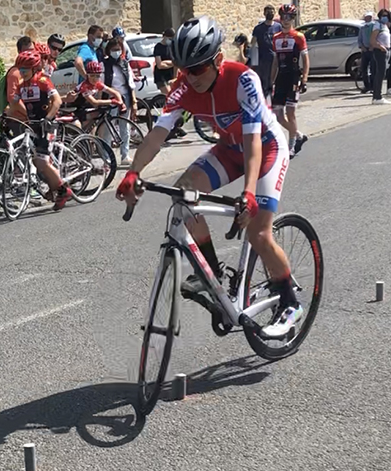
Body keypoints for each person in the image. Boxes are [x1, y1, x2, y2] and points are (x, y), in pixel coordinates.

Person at [116, 16, 304, 338]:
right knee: (184, 193)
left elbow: (253, 140)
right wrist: (133, 172)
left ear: (218, 60)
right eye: (184, 69)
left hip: (266, 147)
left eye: (199, 68)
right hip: (230, 149)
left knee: (259, 233)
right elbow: (156, 136)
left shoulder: (243, 79)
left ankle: (289, 300)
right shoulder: (183, 88)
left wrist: (248, 193)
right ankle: (212, 275)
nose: (191, 77)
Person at [6, 50, 73, 210]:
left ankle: (64, 190)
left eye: (25, 70)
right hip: (33, 126)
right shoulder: (22, 86)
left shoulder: (43, 81)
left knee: (41, 161)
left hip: (47, 125)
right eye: (20, 69)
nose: (22, 72)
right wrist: (3, 116)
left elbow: (56, 101)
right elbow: (14, 104)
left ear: (34, 68)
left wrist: (48, 118)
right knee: (38, 161)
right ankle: (53, 186)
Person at [270, 4, 309, 157]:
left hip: (293, 77)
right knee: (278, 114)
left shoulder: (298, 37)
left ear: (293, 19)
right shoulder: (275, 38)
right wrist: (271, 81)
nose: (286, 20)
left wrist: (304, 79)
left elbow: (306, 60)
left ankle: (291, 145)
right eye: (283, 17)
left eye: (289, 17)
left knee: (290, 112)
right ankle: (298, 135)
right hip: (281, 78)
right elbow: (275, 63)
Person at [102, 39, 137, 165]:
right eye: (113, 50)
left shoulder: (124, 64)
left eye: (118, 49)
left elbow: (130, 84)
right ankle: (107, 159)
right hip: (110, 99)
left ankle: (125, 155)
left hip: (124, 97)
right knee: (107, 129)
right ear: (108, 51)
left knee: (125, 127)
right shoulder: (104, 65)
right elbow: (101, 84)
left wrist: (133, 101)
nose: (116, 52)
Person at [75, 60, 126, 130]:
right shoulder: (84, 86)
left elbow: (115, 93)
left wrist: (121, 103)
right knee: (88, 121)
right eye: (92, 75)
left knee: (95, 118)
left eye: (97, 76)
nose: (95, 79)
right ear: (87, 75)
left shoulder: (98, 83)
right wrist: (112, 101)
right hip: (76, 107)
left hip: (86, 105)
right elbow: (94, 102)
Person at [252, 5, 282, 104]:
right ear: (264, 13)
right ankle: (265, 103)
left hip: (276, 59)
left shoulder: (278, 27)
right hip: (263, 60)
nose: (270, 13)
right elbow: (253, 43)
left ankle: (275, 101)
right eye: (268, 11)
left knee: (276, 81)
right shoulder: (258, 29)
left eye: (272, 11)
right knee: (265, 83)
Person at [371, 10, 391, 105]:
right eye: (384, 15)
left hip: (385, 51)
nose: (385, 17)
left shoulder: (384, 26)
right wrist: (381, 47)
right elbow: (372, 40)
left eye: (387, 15)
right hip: (380, 51)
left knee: (381, 73)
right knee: (380, 73)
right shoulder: (377, 25)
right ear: (380, 16)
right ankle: (377, 96)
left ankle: (376, 96)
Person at [357, 11, 376, 93]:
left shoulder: (374, 27)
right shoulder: (363, 28)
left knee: (373, 69)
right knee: (364, 69)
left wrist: (373, 46)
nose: (368, 18)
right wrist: (362, 47)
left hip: (372, 50)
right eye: (367, 17)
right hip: (365, 51)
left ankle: (373, 86)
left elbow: (377, 37)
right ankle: (366, 86)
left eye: (370, 17)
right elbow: (359, 39)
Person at [153, 28, 177, 95]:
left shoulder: (172, 46)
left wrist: (175, 78)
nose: (170, 40)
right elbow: (160, 65)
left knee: (175, 94)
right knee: (169, 94)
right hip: (161, 76)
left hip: (171, 74)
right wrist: (173, 63)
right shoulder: (158, 47)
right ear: (165, 36)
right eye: (169, 38)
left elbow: (177, 63)